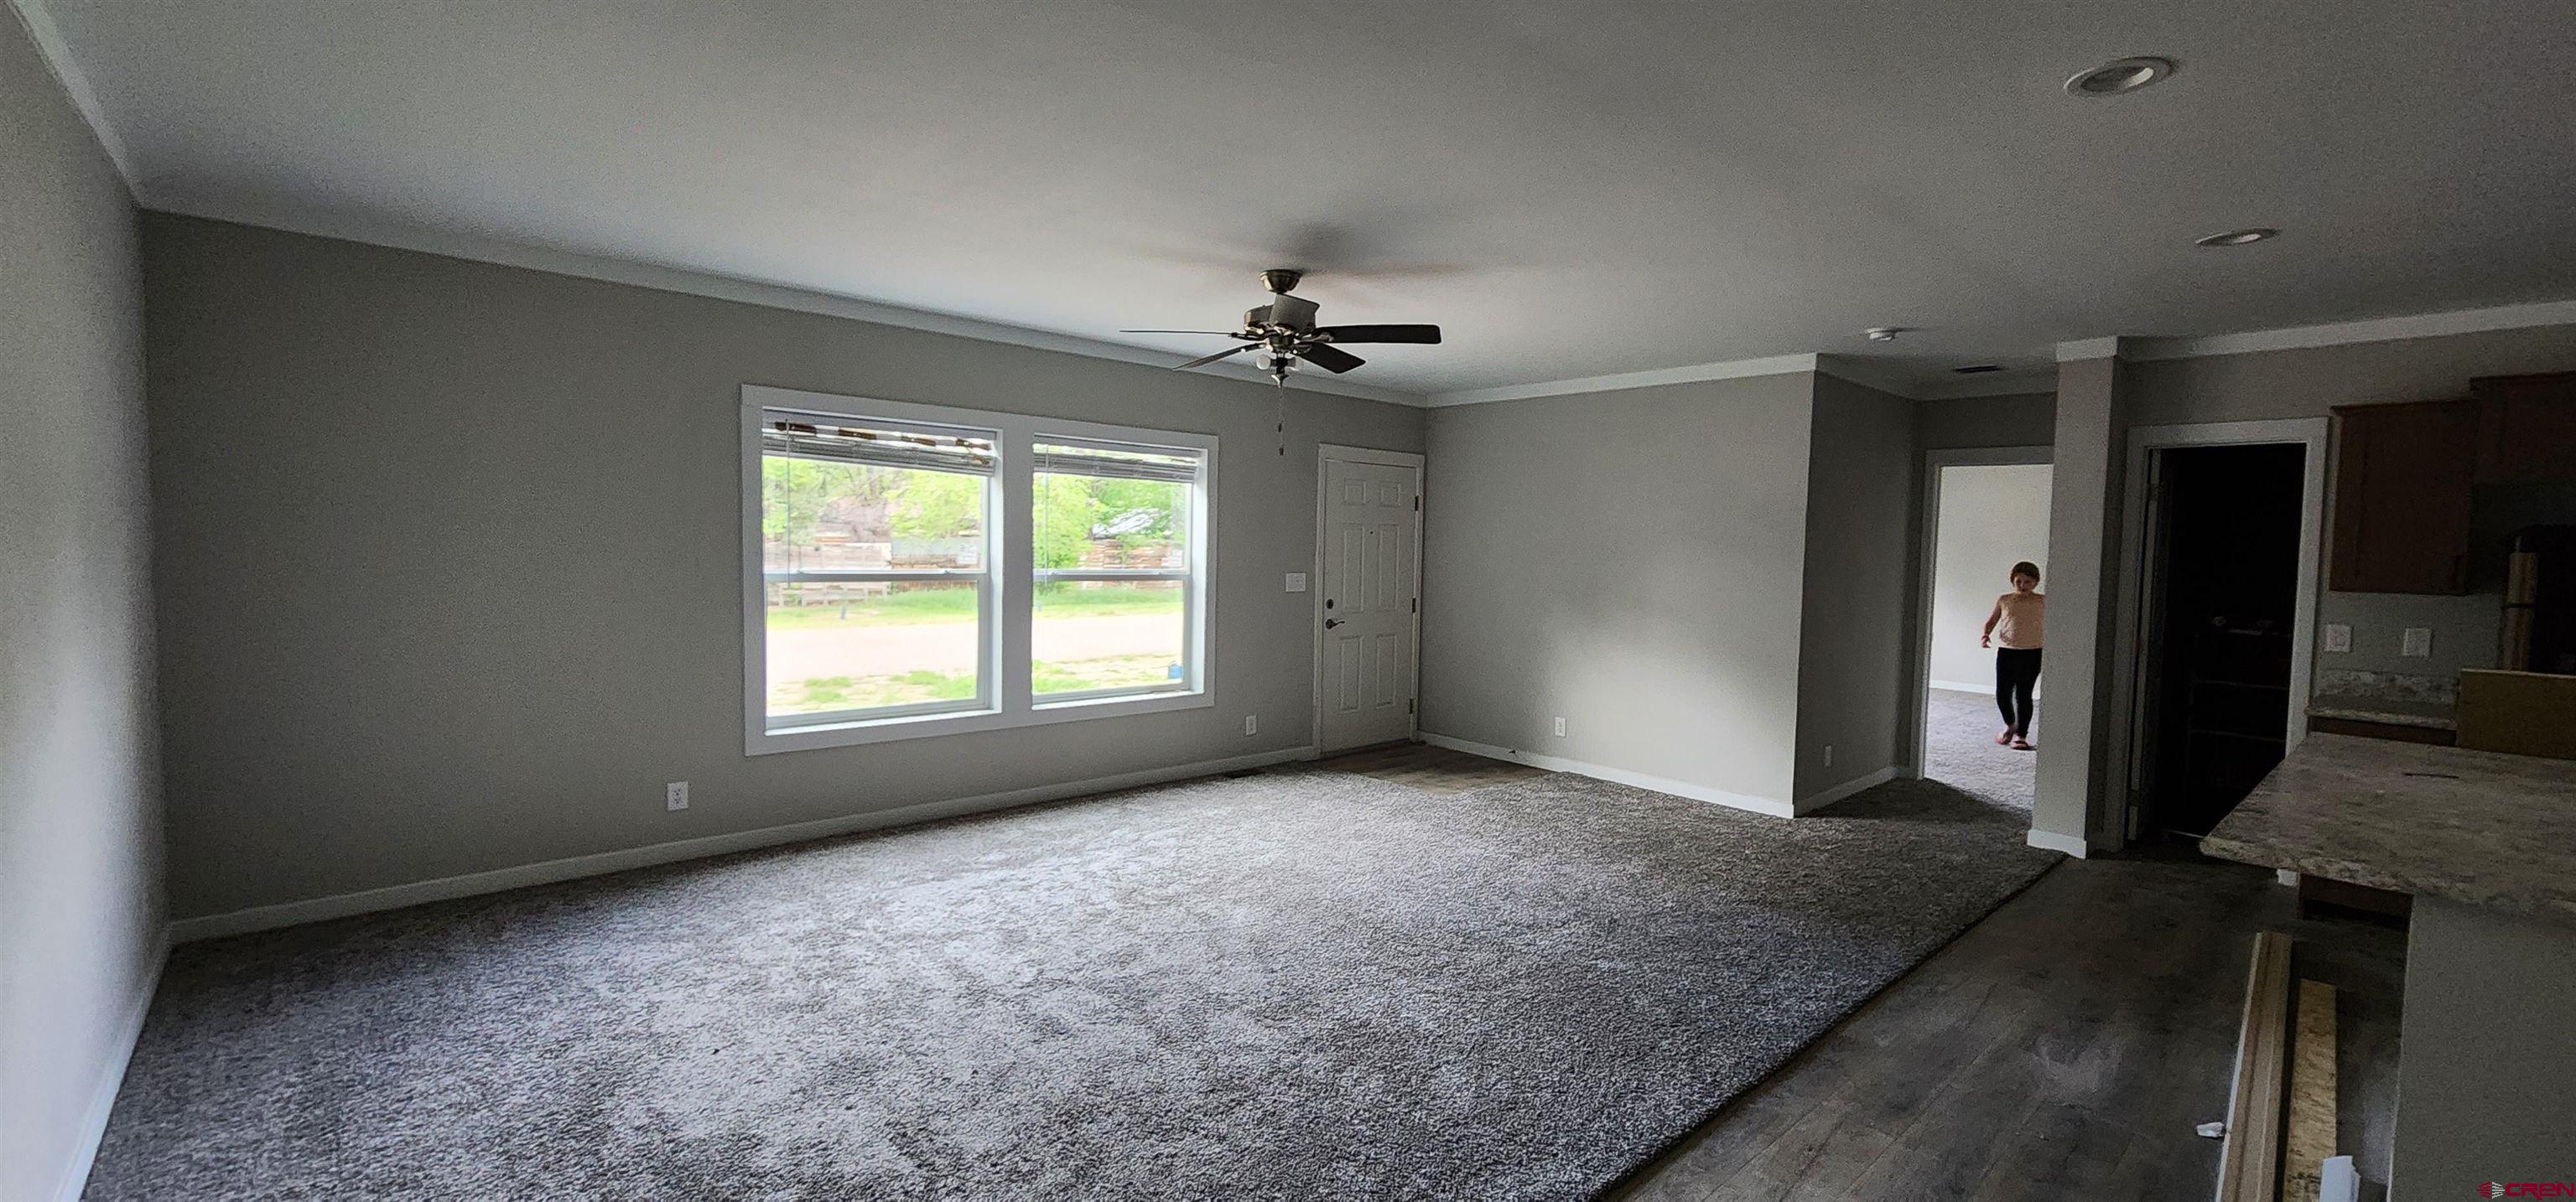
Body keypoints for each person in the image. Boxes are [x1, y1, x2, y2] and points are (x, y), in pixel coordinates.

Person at [1980, 561, 2044, 751]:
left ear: (2035, 582)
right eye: (2018, 581)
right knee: (2002, 693)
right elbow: (1992, 621)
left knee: (2024, 694)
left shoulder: (2043, 601)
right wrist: (1985, 635)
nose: (2022, 585)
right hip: (2007, 652)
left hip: (2033, 652)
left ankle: (2021, 736)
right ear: (2012, 581)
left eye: (2027, 582)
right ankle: (2010, 724)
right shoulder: (2005, 599)